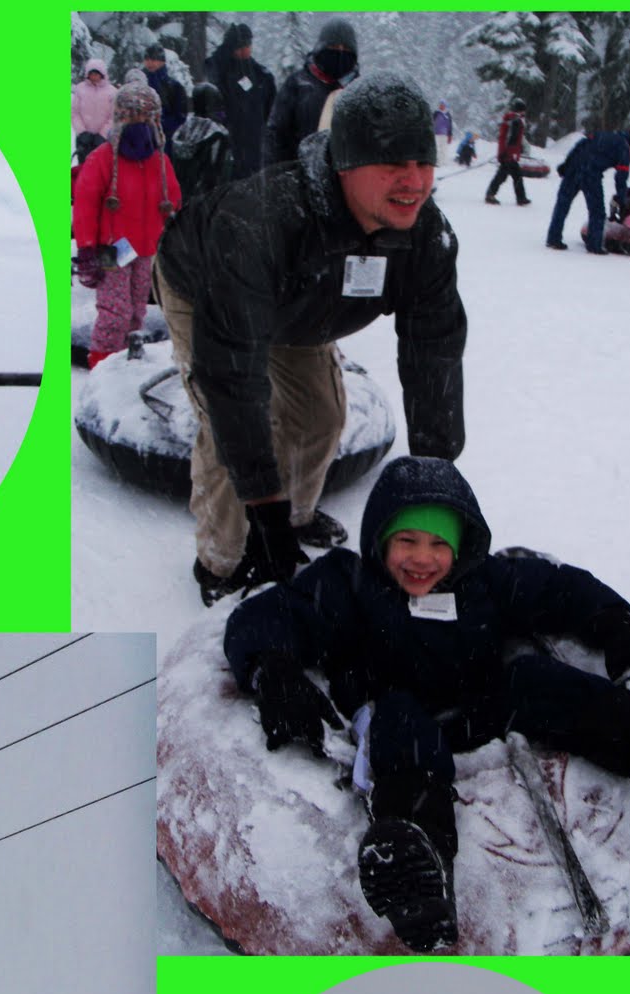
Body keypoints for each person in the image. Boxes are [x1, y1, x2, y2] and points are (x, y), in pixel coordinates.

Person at [222, 454, 630, 952]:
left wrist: (619, 631)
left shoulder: (485, 582)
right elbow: (269, 616)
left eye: (439, 544)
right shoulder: (348, 582)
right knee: (400, 720)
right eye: (405, 541)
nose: (422, 558)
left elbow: (564, 591)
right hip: (389, 717)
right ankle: (421, 871)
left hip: (474, 708)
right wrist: (274, 669)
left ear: (462, 547)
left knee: (534, 679)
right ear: (378, 540)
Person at [154, 73, 465, 604]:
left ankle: (293, 516)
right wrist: (261, 502)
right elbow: (232, 380)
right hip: (205, 287)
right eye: (392, 164)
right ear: (345, 161)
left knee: (321, 415)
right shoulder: (259, 224)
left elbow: (433, 350)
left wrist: (434, 474)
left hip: (305, 308)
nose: (413, 180)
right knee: (226, 424)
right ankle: (222, 560)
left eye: (423, 162)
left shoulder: (425, 238)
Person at [73, 86, 181, 368]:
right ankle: (102, 370)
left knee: (136, 312)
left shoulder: (160, 161)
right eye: (134, 118)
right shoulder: (103, 158)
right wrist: (86, 248)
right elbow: (85, 205)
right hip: (113, 248)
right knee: (114, 313)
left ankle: (126, 369)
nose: (140, 125)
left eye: (146, 118)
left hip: (145, 249)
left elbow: (173, 200)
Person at [263, 18, 360, 166]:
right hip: (300, 173)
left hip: (348, 176)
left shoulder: (358, 89)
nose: (339, 53)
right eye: (333, 47)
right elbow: (276, 133)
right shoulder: (298, 84)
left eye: (346, 50)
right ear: (321, 48)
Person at [547, 126, 630, 253]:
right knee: (597, 211)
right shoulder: (624, 149)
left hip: (573, 169)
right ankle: (594, 245)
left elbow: (580, 145)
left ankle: (553, 238)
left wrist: (566, 164)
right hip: (591, 175)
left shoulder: (603, 134)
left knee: (562, 205)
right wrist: (622, 199)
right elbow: (621, 178)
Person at [204, 22, 275, 178]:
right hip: (227, 138)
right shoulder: (217, 68)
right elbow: (212, 104)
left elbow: (268, 103)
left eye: (248, 45)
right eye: (242, 46)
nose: (247, 49)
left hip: (252, 137)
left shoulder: (259, 73)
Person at [170, 83, 234, 203]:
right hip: (209, 200)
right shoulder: (217, 133)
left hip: (182, 199)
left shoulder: (182, 130)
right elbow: (220, 170)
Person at [485, 97, 531, 206]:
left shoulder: (512, 119)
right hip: (509, 154)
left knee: (509, 175)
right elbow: (510, 138)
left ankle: (519, 197)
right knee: (509, 175)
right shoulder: (515, 121)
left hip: (508, 153)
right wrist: (507, 152)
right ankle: (492, 194)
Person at [141, 43, 188, 143]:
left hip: (164, 138)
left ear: (162, 62)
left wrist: (158, 127)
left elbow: (180, 117)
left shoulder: (174, 87)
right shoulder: (139, 84)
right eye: (147, 59)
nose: (149, 63)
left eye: (153, 60)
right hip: (140, 137)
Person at [72, 58, 116, 138]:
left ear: (102, 74)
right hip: (83, 138)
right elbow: (74, 113)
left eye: (96, 74)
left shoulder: (112, 92)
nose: (93, 76)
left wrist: (103, 134)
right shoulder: (80, 89)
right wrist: (82, 132)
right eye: (91, 73)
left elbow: (113, 116)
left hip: (103, 138)